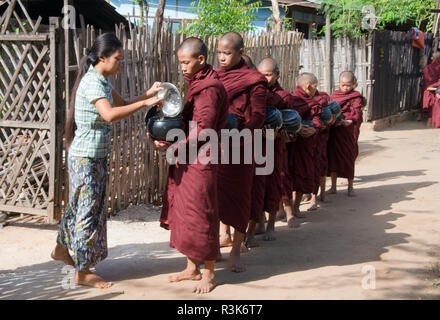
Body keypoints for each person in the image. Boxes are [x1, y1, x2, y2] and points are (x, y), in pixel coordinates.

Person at [51, 33, 163, 289]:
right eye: (117, 59)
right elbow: (111, 114)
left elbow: (123, 103)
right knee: (88, 212)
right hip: (86, 158)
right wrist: (147, 102)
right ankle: (83, 271)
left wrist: (150, 93)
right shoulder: (92, 83)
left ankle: (61, 249)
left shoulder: (102, 81)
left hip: (94, 157)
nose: (120, 64)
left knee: (79, 207)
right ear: (102, 57)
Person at [152, 37, 228, 294]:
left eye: (186, 62)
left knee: (202, 214)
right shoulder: (196, 83)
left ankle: (209, 273)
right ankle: (191, 268)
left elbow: (203, 129)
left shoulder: (210, 89)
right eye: (180, 62)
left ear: (201, 60)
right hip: (188, 157)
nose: (182, 67)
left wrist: (175, 146)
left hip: (202, 159)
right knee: (186, 214)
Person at [216, 32, 267, 272]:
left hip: (243, 144)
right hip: (215, 143)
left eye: (227, 53)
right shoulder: (213, 76)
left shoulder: (254, 80)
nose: (222, 58)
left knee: (240, 196)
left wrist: (242, 135)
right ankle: (219, 240)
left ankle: (236, 249)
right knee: (215, 193)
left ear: (240, 53)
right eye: (219, 52)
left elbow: (258, 114)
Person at [290, 73, 325, 219]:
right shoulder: (291, 100)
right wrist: (295, 129)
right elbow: (286, 116)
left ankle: (296, 207)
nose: (316, 90)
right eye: (315, 86)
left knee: (302, 175)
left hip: (306, 143)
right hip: (290, 143)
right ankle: (286, 209)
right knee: (287, 176)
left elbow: (316, 119)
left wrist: (314, 128)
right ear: (308, 86)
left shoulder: (313, 102)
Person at [327, 71, 364, 196]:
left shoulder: (356, 96)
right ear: (339, 84)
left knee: (348, 158)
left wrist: (350, 120)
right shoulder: (334, 95)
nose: (345, 88)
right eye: (343, 85)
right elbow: (330, 110)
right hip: (335, 130)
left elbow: (357, 112)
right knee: (332, 158)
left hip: (348, 131)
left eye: (348, 85)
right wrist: (333, 120)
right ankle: (333, 187)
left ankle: (350, 187)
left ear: (354, 84)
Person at [422, 52, 440, 126]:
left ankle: (427, 121)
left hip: (428, 87)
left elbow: (425, 79)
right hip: (436, 87)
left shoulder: (427, 67)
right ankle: (430, 121)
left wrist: (430, 87)